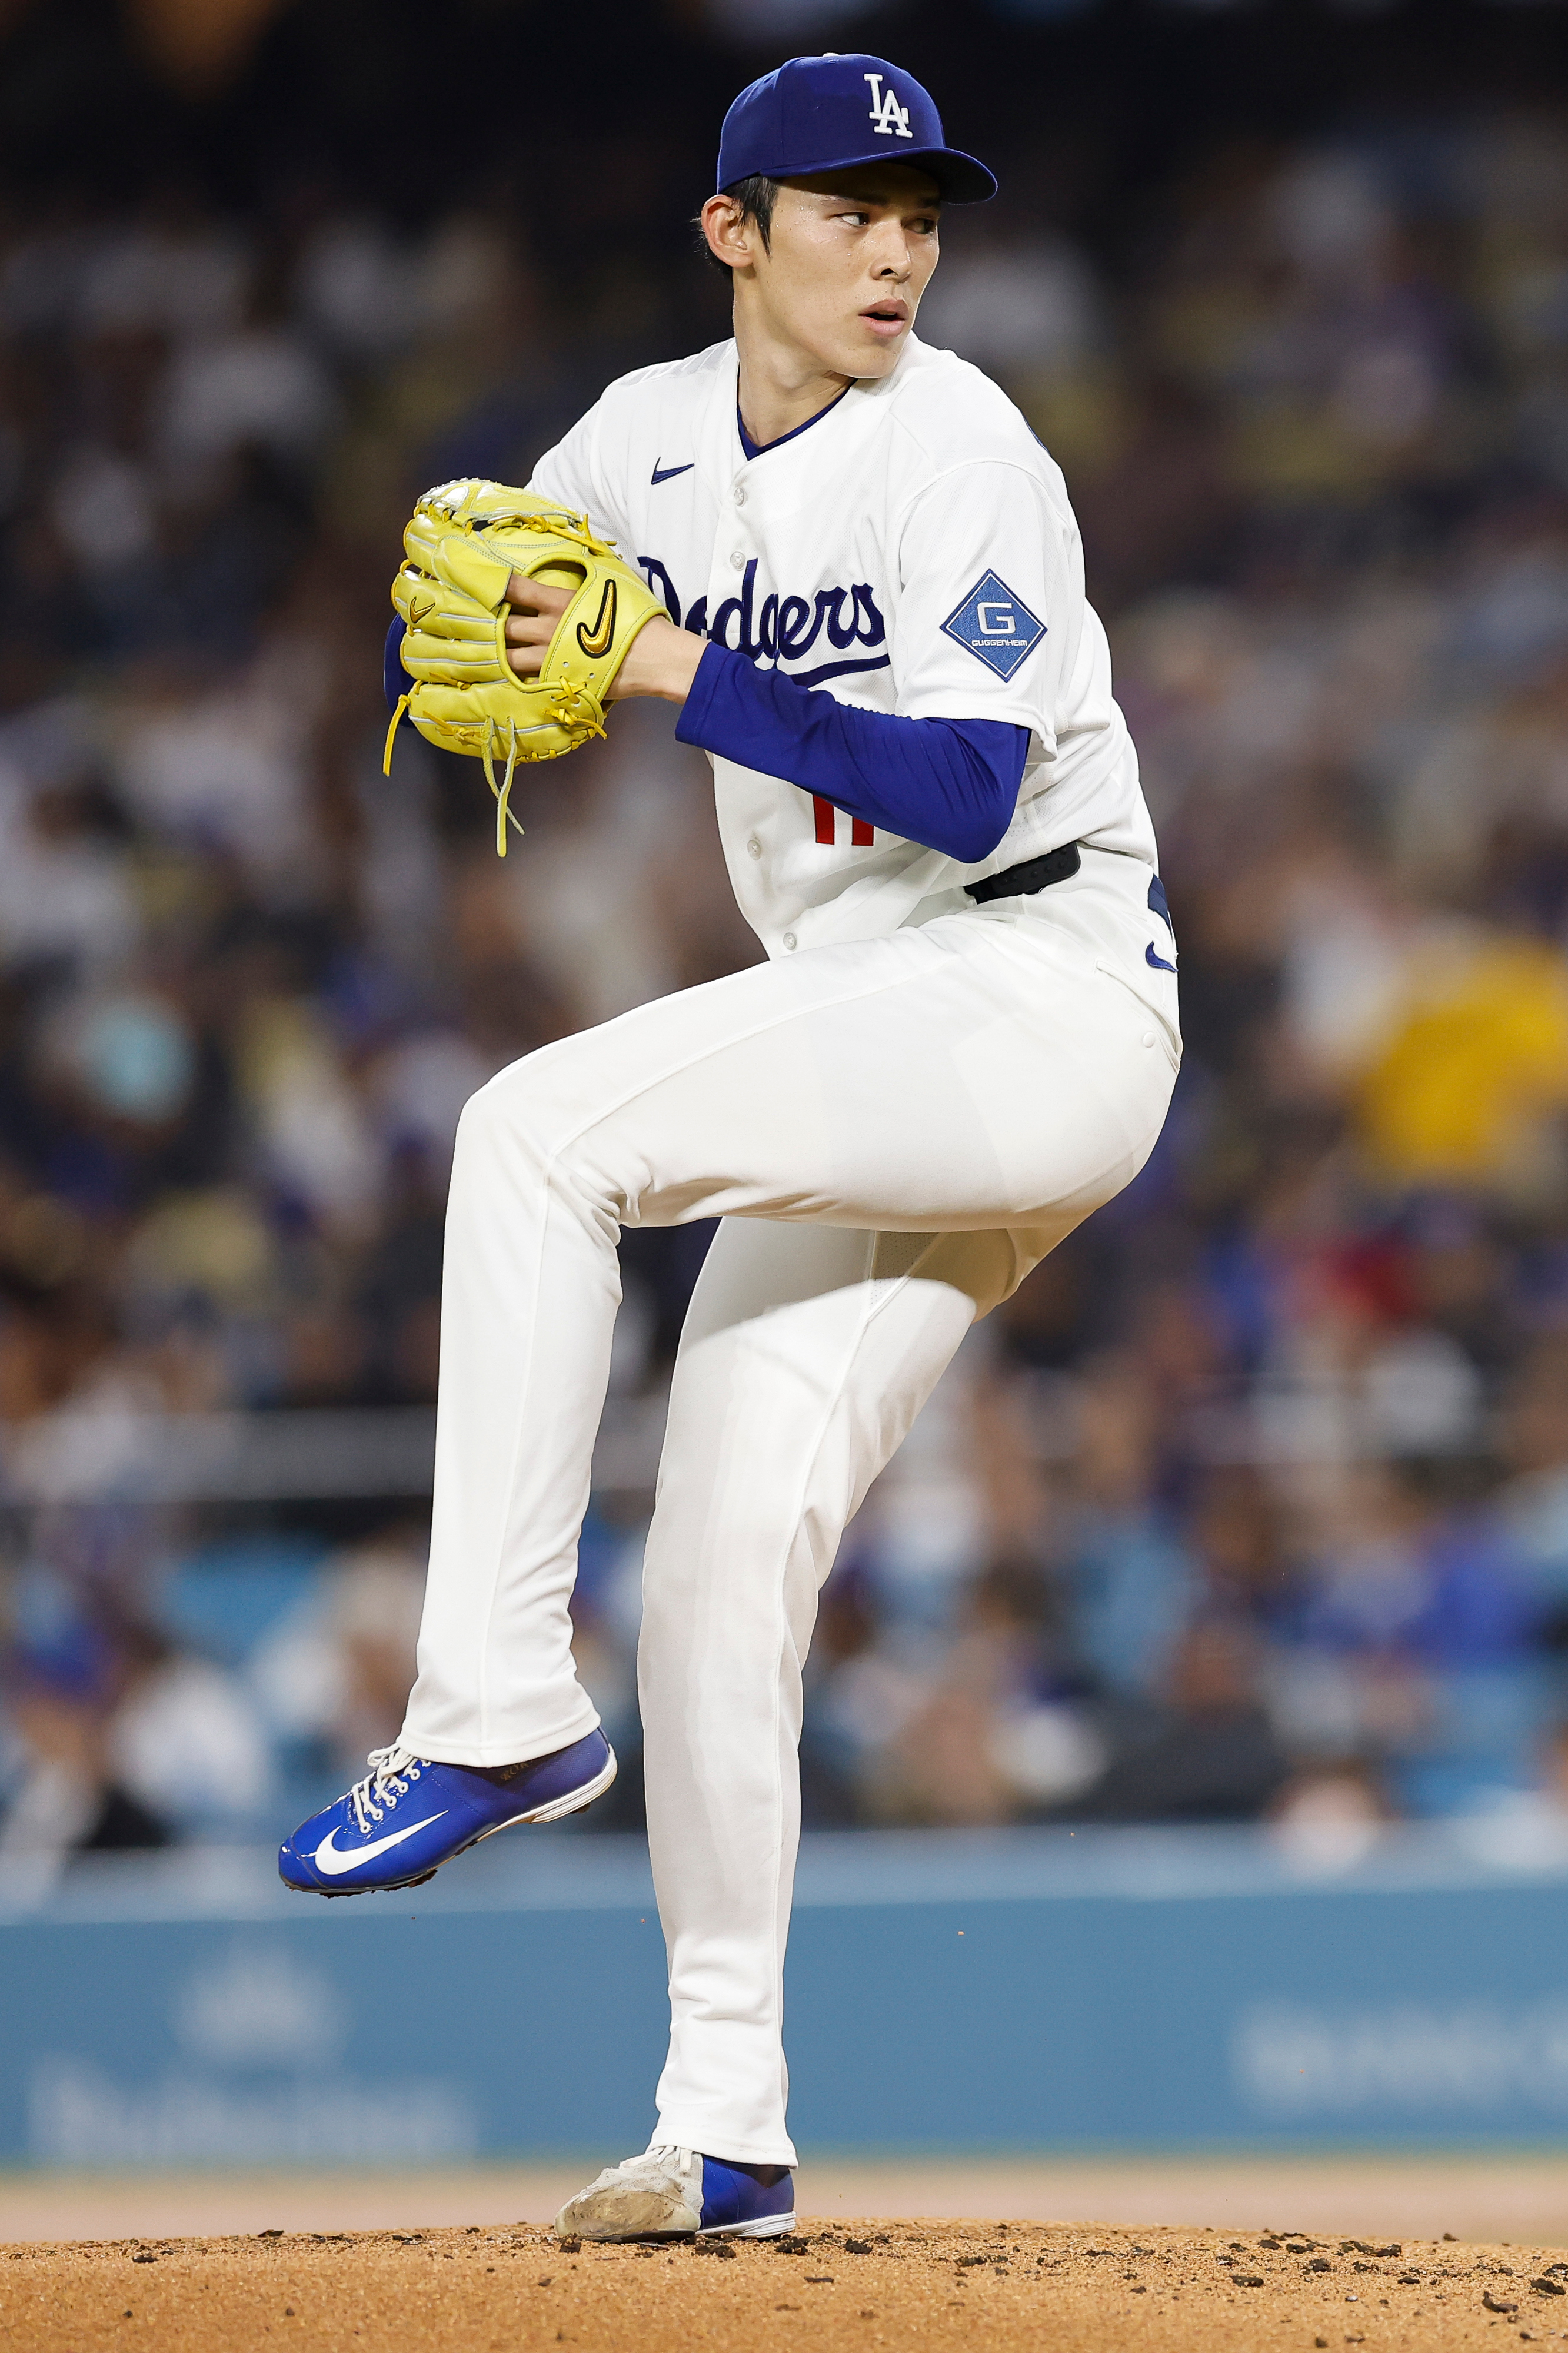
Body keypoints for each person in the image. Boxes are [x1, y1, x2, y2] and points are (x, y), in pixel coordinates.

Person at [278, 52, 1178, 2241]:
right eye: (847, 209)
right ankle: (723, 2128)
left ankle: (493, 1707)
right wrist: (482, 634)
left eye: (918, 215)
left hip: (1037, 990)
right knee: (712, 1559)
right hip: (870, 1034)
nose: (895, 251)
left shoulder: (965, 449)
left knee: (530, 1131)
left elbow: (966, 788)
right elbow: (481, 603)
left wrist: (669, 665)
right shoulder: (642, 441)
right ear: (732, 232)